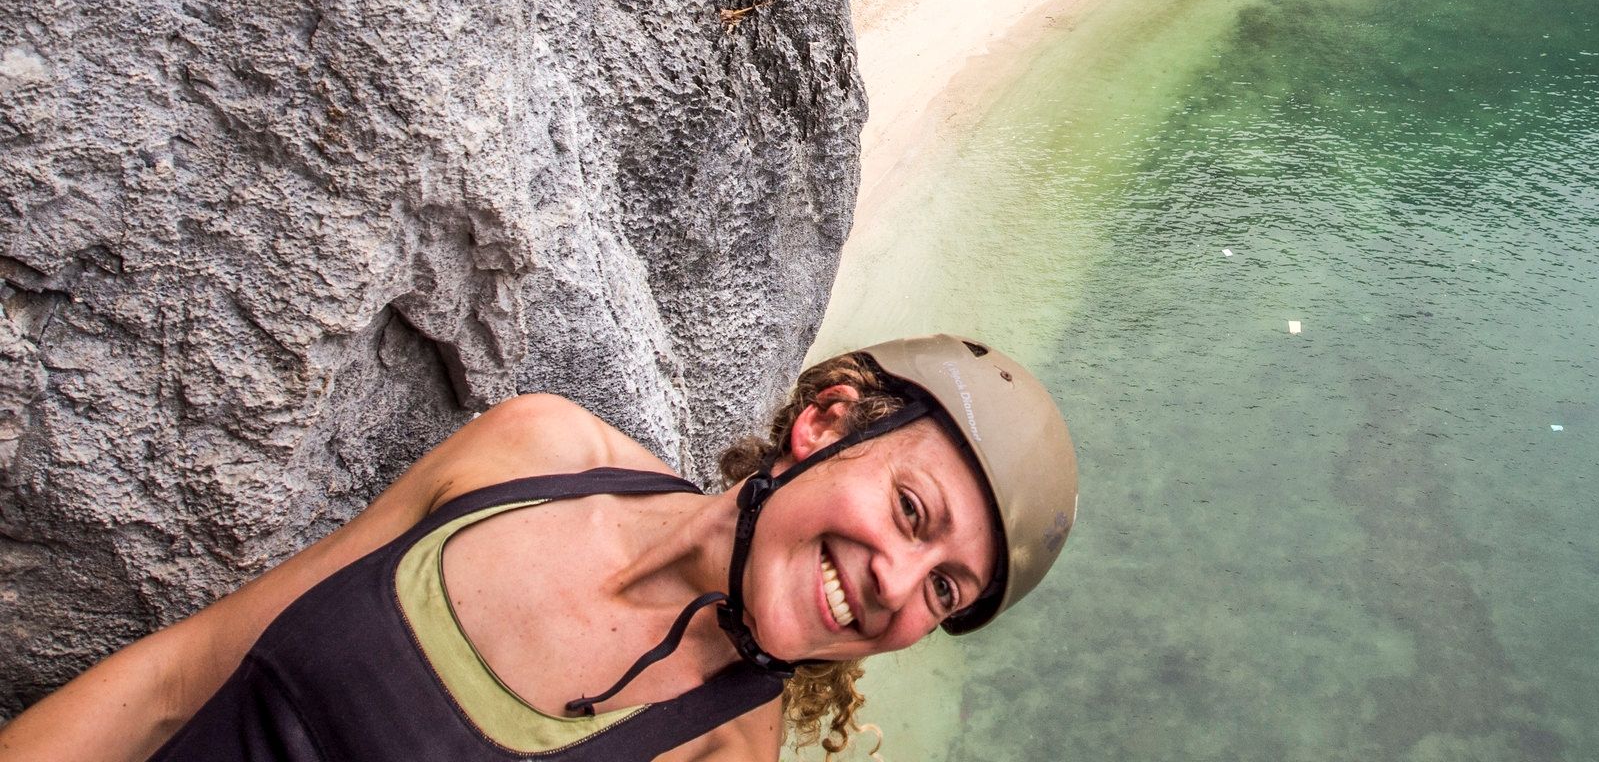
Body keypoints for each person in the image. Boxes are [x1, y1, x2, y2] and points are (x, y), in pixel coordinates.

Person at [0, 335, 1079, 762]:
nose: (895, 586)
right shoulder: (530, 453)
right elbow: (182, 676)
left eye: (946, 589)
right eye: (908, 511)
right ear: (827, 423)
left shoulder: (716, 750)